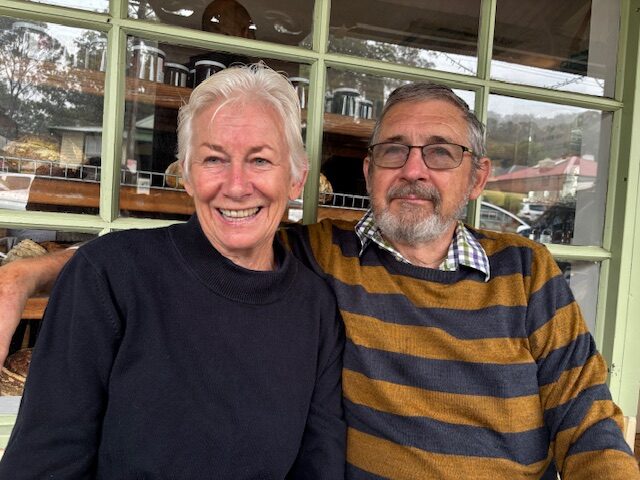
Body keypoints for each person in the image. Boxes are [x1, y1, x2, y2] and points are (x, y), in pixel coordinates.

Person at [1, 82, 639, 479]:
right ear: (370, 170)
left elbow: (587, 420)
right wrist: (30, 271)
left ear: (476, 178)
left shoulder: (527, 272)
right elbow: (195, 244)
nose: (414, 170)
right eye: (394, 150)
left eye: (441, 153)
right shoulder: (326, 256)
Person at [0, 64, 345, 478]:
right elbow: (44, 462)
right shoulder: (109, 276)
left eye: (260, 160)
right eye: (213, 159)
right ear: (186, 175)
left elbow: (319, 464)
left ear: (296, 179)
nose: (236, 186)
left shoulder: (315, 307)